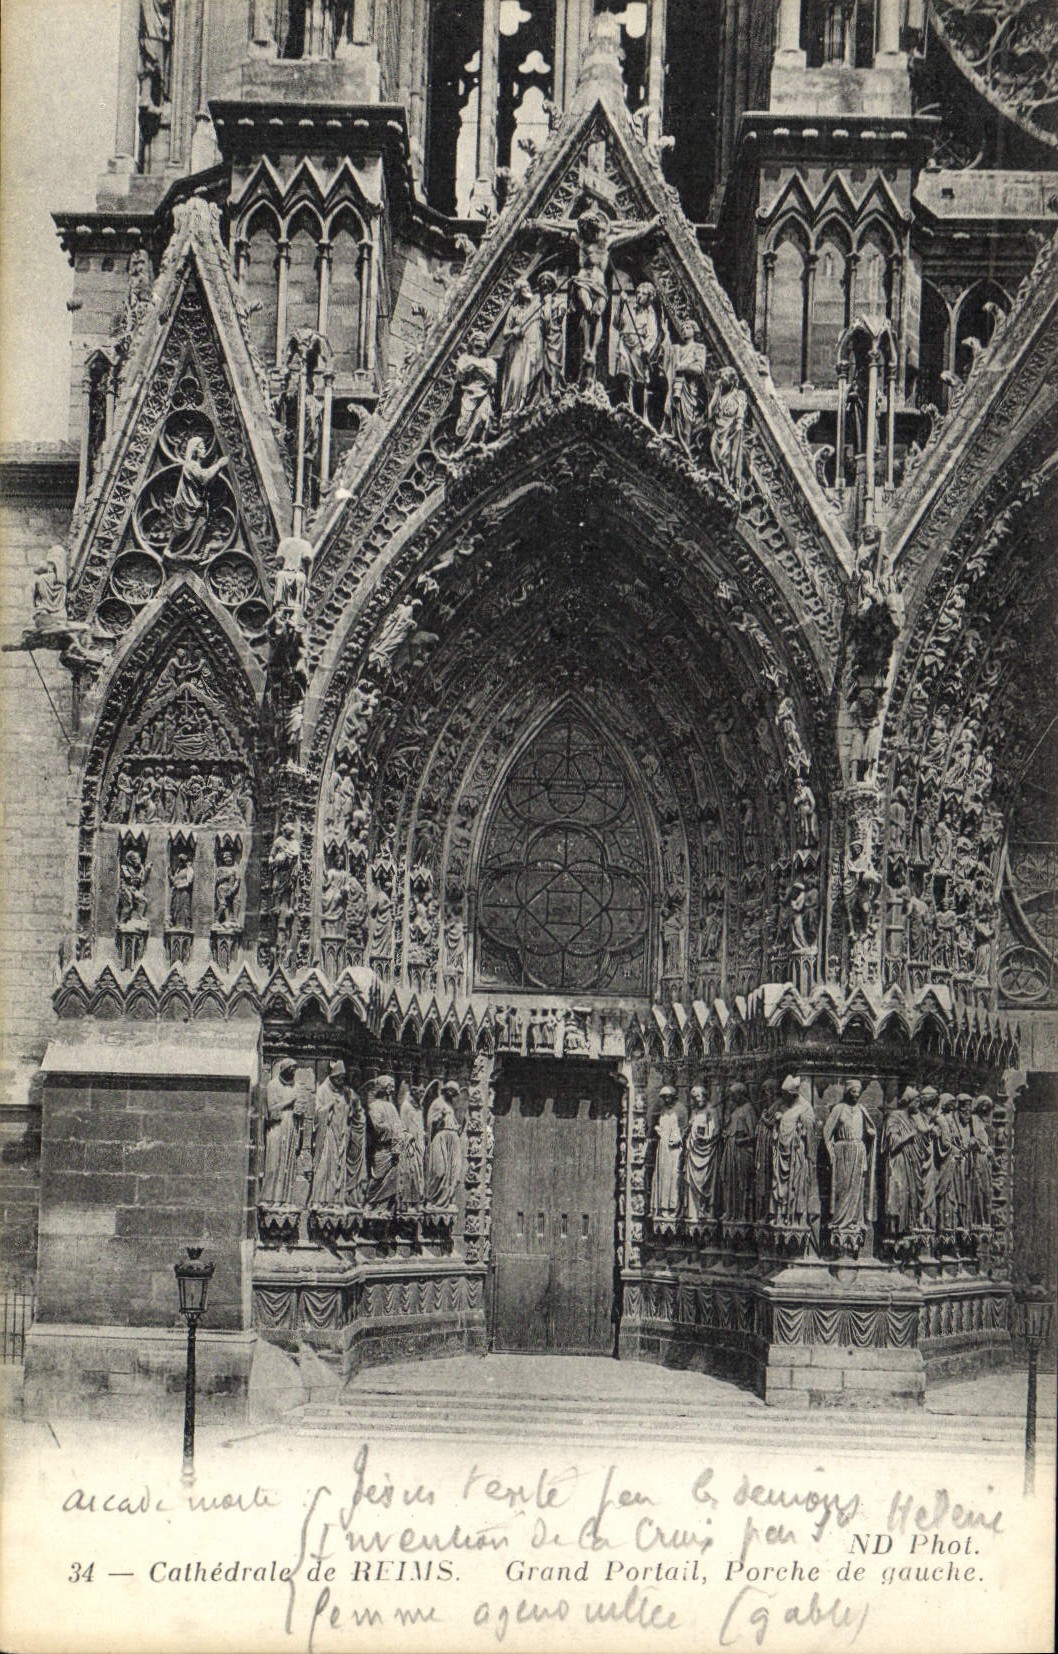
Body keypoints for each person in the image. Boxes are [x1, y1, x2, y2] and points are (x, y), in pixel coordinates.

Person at [823, 1079, 877, 1246]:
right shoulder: (839, 1109)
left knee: (857, 1189)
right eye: (853, 1091)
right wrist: (831, 1153)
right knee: (843, 1188)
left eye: (858, 1092)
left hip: (858, 1151)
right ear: (847, 1092)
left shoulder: (861, 1110)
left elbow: (871, 1130)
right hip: (843, 1152)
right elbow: (827, 1131)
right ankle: (839, 1221)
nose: (856, 1095)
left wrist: (871, 1133)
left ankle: (854, 1221)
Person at [168, 436, 228, 561]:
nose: (204, 449)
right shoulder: (191, 465)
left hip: (197, 506)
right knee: (185, 528)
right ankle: (174, 550)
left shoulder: (197, 466)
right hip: (186, 506)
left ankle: (191, 552)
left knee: (200, 524)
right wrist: (219, 465)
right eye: (201, 447)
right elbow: (204, 478)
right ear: (194, 450)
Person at [499, 279, 544, 419]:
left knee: (528, 378)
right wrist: (513, 331)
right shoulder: (514, 310)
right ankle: (510, 408)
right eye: (523, 287)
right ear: (519, 291)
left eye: (528, 286)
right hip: (517, 349)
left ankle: (523, 408)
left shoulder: (538, 306)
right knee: (514, 378)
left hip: (532, 347)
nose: (527, 288)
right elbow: (505, 332)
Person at [308, 1060, 350, 1207]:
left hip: (341, 1135)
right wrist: (328, 1107)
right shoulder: (323, 1090)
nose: (341, 1081)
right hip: (328, 1134)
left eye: (343, 1078)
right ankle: (318, 1200)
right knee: (325, 1165)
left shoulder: (343, 1093)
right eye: (339, 1077)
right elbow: (317, 1112)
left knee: (338, 1167)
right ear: (333, 1076)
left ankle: (335, 1199)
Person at [260, 1058, 299, 1205]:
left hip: (290, 1126)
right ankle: (268, 1197)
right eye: (291, 1070)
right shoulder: (273, 1085)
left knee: (287, 1164)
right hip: (277, 1126)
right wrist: (289, 1102)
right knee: (273, 1162)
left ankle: (283, 1198)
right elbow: (272, 1110)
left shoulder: (295, 1087)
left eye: (295, 1071)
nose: (293, 1073)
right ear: (284, 1070)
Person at [682, 1084, 722, 1223]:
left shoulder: (711, 1111)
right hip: (694, 1151)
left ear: (705, 1096)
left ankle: (708, 1211)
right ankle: (693, 1211)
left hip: (707, 1152)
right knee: (692, 1182)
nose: (697, 1099)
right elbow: (690, 1128)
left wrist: (706, 1138)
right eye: (694, 1097)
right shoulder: (694, 1112)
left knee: (707, 1182)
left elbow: (716, 1131)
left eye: (699, 1096)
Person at [365, 1075, 404, 1208]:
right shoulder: (374, 1106)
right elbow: (377, 1127)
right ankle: (371, 1203)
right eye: (390, 1086)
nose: (392, 1089)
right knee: (378, 1179)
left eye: (393, 1086)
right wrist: (392, 1129)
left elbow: (399, 1126)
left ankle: (385, 1207)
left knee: (392, 1180)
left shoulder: (391, 1107)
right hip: (381, 1148)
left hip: (393, 1150)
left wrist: (397, 1141)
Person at [425, 1081, 464, 1208]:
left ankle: (446, 1201)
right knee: (439, 1171)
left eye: (455, 1093)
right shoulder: (437, 1103)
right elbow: (430, 1123)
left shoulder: (450, 1105)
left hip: (453, 1140)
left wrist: (457, 1128)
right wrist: (439, 1119)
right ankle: (431, 1199)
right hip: (441, 1139)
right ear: (446, 1090)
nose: (453, 1095)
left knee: (453, 1174)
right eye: (452, 1091)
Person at [650, 1087, 683, 1220]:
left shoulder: (681, 1110)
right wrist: (658, 1130)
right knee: (663, 1176)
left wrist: (678, 1139)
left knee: (673, 1176)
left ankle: (672, 1207)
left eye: (668, 1097)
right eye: (664, 1097)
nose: (666, 1100)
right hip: (663, 1148)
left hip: (674, 1150)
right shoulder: (663, 1111)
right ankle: (661, 1207)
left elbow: (686, 1129)